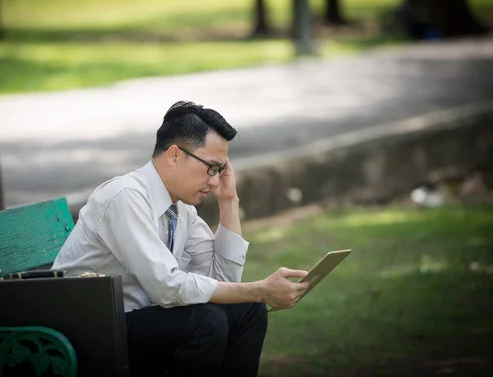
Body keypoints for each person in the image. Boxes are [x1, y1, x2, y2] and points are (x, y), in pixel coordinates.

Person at [52, 101, 310, 377]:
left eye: (221, 171)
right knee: (205, 321)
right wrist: (259, 289)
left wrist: (229, 201)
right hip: (88, 333)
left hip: (133, 323)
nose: (215, 181)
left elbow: (224, 279)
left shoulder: (180, 207)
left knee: (248, 311)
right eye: (212, 168)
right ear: (174, 156)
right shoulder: (125, 196)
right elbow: (168, 287)